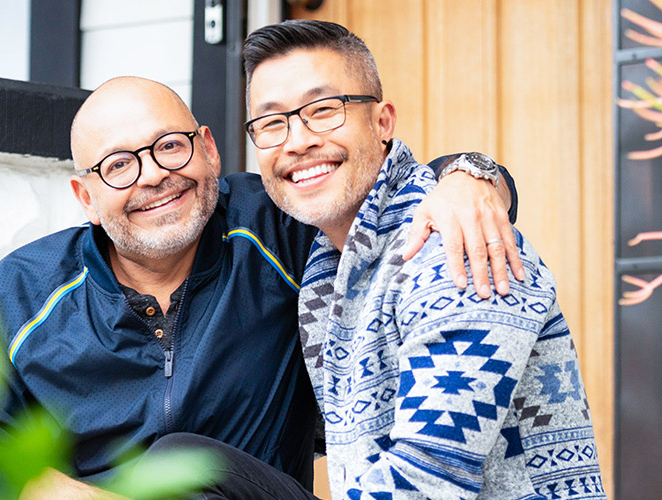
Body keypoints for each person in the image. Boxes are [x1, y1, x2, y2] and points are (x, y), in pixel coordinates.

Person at [0, 74, 522, 499]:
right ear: (86, 197)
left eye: (170, 145)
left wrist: (471, 179)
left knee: (185, 458)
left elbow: (391, 195)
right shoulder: (17, 296)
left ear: (209, 149)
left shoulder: (280, 228)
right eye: (119, 165)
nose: (155, 175)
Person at [242, 20, 605, 499]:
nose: (296, 140)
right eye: (271, 122)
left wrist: (475, 174)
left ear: (382, 121)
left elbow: (429, 478)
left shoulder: (454, 243)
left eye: (324, 110)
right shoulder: (327, 265)